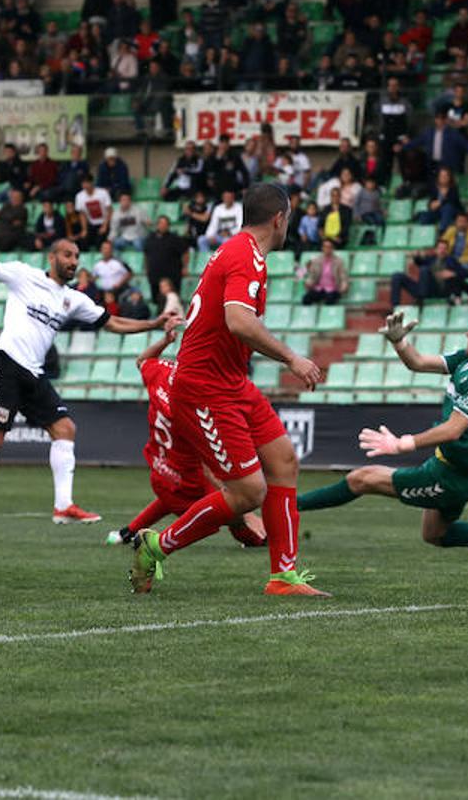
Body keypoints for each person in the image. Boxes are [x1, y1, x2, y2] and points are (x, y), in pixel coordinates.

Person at [127, 183, 327, 597]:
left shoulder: (239, 251)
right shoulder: (246, 256)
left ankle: (282, 576)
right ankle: (155, 545)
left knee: (284, 461)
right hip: (205, 387)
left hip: (231, 381)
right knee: (247, 492)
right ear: (279, 219)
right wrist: (292, 358)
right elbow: (238, 321)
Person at [0, 233, 175, 536]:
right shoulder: (23, 275)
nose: (73, 262)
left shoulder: (73, 299)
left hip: (33, 372)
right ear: (52, 257)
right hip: (7, 363)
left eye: (77, 257)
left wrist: (154, 324)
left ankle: (63, 506)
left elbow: (113, 323)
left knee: (65, 429)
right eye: (67, 255)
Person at [297, 309, 468, 553]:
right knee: (435, 534)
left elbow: (453, 430)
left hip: (451, 477)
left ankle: (286, 506)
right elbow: (418, 362)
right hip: (456, 468)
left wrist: (404, 443)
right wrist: (399, 341)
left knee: (361, 479)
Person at [105, 324, 266, 549]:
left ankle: (128, 532)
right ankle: (257, 540)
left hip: (160, 472)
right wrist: (247, 511)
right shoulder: (196, 403)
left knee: (171, 495)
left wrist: (164, 342)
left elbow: (142, 360)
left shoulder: (163, 371)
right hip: (189, 484)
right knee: (232, 509)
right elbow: (211, 468)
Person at [301, 240, 348, 305]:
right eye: (325, 247)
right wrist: (308, 282)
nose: (327, 249)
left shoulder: (339, 262)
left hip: (332, 289)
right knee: (306, 299)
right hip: (318, 288)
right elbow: (312, 275)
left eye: (329, 247)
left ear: (332, 248)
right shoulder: (316, 260)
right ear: (322, 248)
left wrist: (344, 286)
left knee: (330, 300)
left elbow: (343, 276)